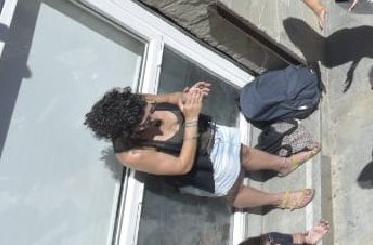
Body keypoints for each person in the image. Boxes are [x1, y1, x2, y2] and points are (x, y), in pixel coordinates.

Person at [84, 81, 316, 211]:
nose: (153, 114)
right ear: (129, 131)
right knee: (234, 191)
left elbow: (173, 97)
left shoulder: (136, 104)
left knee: (241, 151)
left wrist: (188, 95)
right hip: (198, 166)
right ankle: (279, 200)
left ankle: (284, 164)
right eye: (146, 121)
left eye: (150, 110)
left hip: (207, 135)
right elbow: (181, 166)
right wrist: (192, 118)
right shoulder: (130, 154)